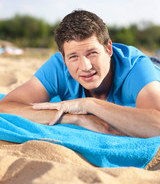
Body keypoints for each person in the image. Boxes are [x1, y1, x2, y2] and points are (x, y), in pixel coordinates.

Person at [0, 10, 160, 137]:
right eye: (74, 57)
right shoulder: (58, 66)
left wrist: (89, 104)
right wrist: (76, 118)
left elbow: (156, 126)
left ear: (109, 49)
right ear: (64, 58)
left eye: (92, 53)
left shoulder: (136, 68)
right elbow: (6, 107)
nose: (85, 66)